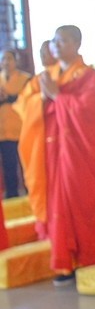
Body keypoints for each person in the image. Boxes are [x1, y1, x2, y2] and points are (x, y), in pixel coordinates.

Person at [40, 26, 95, 283]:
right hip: (57, 150)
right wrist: (43, 97)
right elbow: (30, 112)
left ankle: (89, 257)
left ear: (77, 44)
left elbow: (88, 113)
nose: (57, 46)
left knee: (83, 201)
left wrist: (57, 96)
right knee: (59, 202)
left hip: (82, 154)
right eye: (55, 41)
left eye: (64, 41)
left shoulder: (89, 76)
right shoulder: (49, 75)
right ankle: (65, 262)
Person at [13, 40, 57, 238]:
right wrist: (40, 99)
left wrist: (51, 97)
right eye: (40, 51)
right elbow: (22, 105)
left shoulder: (65, 76)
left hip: (56, 140)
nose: (42, 55)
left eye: (46, 51)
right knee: (40, 181)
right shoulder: (38, 79)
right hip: (38, 141)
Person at [0, 50, 30, 198]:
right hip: (3, 132)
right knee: (8, 166)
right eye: (3, 59)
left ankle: (31, 192)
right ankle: (12, 195)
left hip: (21, 129)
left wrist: (9, 97)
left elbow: (28, 101)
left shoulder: (25, 79)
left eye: (9, 58)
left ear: (16, 61)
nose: (6, 62)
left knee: (26, 165)